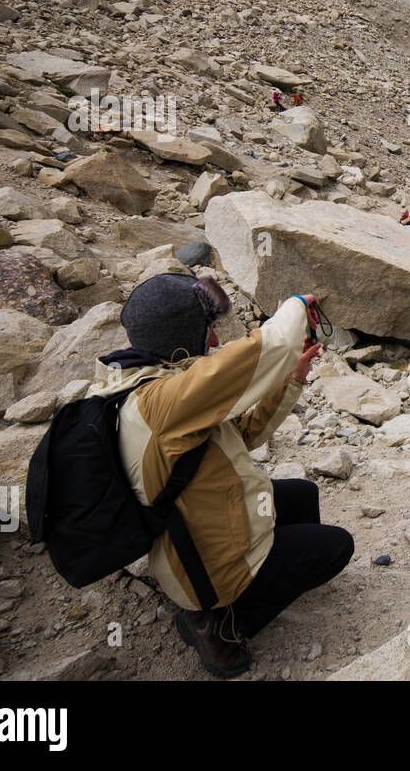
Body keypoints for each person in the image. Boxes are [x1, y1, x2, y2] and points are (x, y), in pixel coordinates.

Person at [92, 274, 354, 678]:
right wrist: (298, 303)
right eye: (209, 330)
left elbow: (244, 435)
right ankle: (218, 628)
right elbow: (270, 345)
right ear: (180, 336)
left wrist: (294, 377)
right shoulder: (164, 400)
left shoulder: (148, 380)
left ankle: (269, 581)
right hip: (203, 562)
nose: (214, 342)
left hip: (196, 526)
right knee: (337, 546)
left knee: (302, 494)